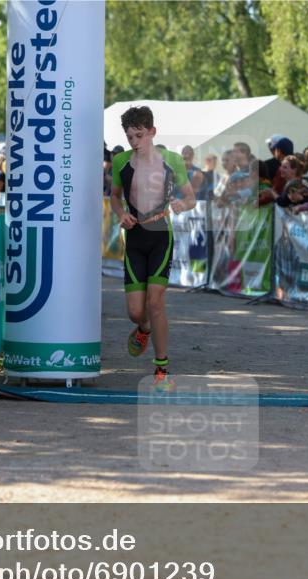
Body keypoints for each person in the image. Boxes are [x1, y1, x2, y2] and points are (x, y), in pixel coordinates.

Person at [109, 106, 195, 390]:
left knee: (156, 303)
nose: (135, 142)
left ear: (152, 132)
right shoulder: (121, 161)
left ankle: (162, 370)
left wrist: (182, 204)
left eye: (140, 135)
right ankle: (143, 328)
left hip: (160, 236)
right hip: (134, 238)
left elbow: (191, 198)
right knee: (136, 312)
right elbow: (115, 197)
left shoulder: (172, 160)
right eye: (130, 137)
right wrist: (121, 214)